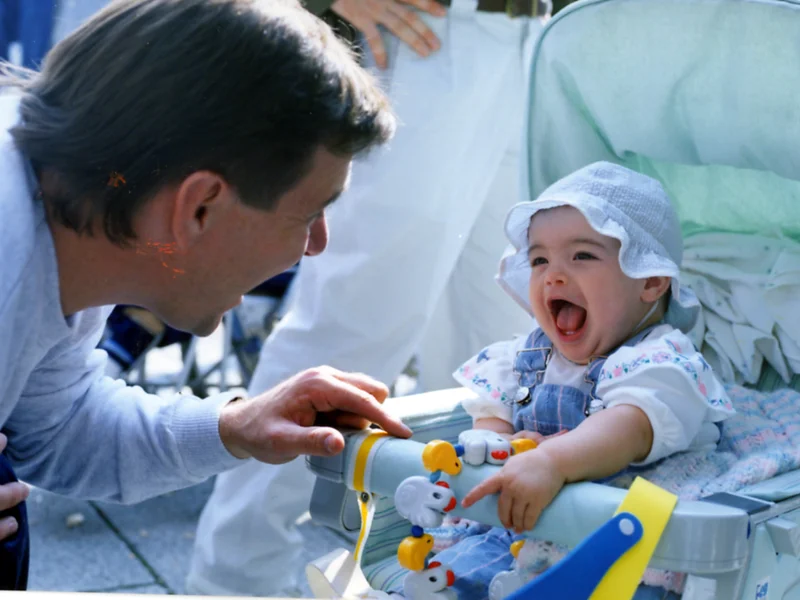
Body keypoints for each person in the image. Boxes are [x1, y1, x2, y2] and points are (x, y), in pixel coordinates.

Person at [0, 0, 410, 590]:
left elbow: (54, 426)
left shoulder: (62, 230)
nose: (316, 245)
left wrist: (235, 426)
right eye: (309, 215)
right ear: (199, 207)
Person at [186, 0, 555, 594]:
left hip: (528, 42)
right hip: (431, 38)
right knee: (345, 334)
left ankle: (455, 570)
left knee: (494, 358)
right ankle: (232, 582)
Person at [389, 162, 735, 599]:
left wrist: (551, 461)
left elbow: (629, 426)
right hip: (517, 530)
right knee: (453, 572)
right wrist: (496, 448)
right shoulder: (524, 357)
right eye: (539, 260)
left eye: (582, 256)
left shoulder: (661, 361)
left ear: (650, 280)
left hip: (609, 550)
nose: (552, 274)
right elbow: (490, 420)